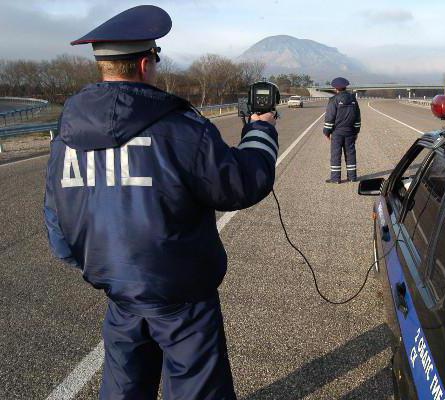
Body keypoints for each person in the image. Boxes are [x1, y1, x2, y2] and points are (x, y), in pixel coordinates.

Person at [43, 5, 278, 400]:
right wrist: (261, 133)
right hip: (181, 293)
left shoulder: (66, 133)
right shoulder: (179, 127)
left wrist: (94, 266)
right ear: (143, 63)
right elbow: (239, 184)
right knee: (196, 388)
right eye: (155, 57)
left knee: (123, 386)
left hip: (118, 290)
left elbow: (56, 215)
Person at [323, 77, 361, 183]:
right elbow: (357, 117)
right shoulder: (353, 99)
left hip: (337, 133)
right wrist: (356, 131)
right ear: (345, 87)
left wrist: (326, 132)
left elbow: (330, 118)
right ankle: (352, 177)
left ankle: (335, 179)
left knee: (336, 154)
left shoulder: (333, 100)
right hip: (350, 132)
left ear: (335, 88)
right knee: (351, 154)